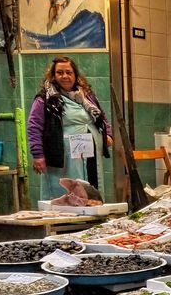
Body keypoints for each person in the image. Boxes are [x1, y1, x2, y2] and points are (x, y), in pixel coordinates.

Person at [26, 56, 113, 201]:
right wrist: (38, 155)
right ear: (53, 76)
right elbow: (34, 126)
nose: (65, 76)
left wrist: (108, 135)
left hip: (90, 155)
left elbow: (101, 116)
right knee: (67, 191)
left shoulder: (87, 96)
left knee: (90, 188)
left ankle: (91, 218)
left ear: (75, 75)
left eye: (69, 72)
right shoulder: (45, 99)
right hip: (63, 158)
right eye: (60, 73)